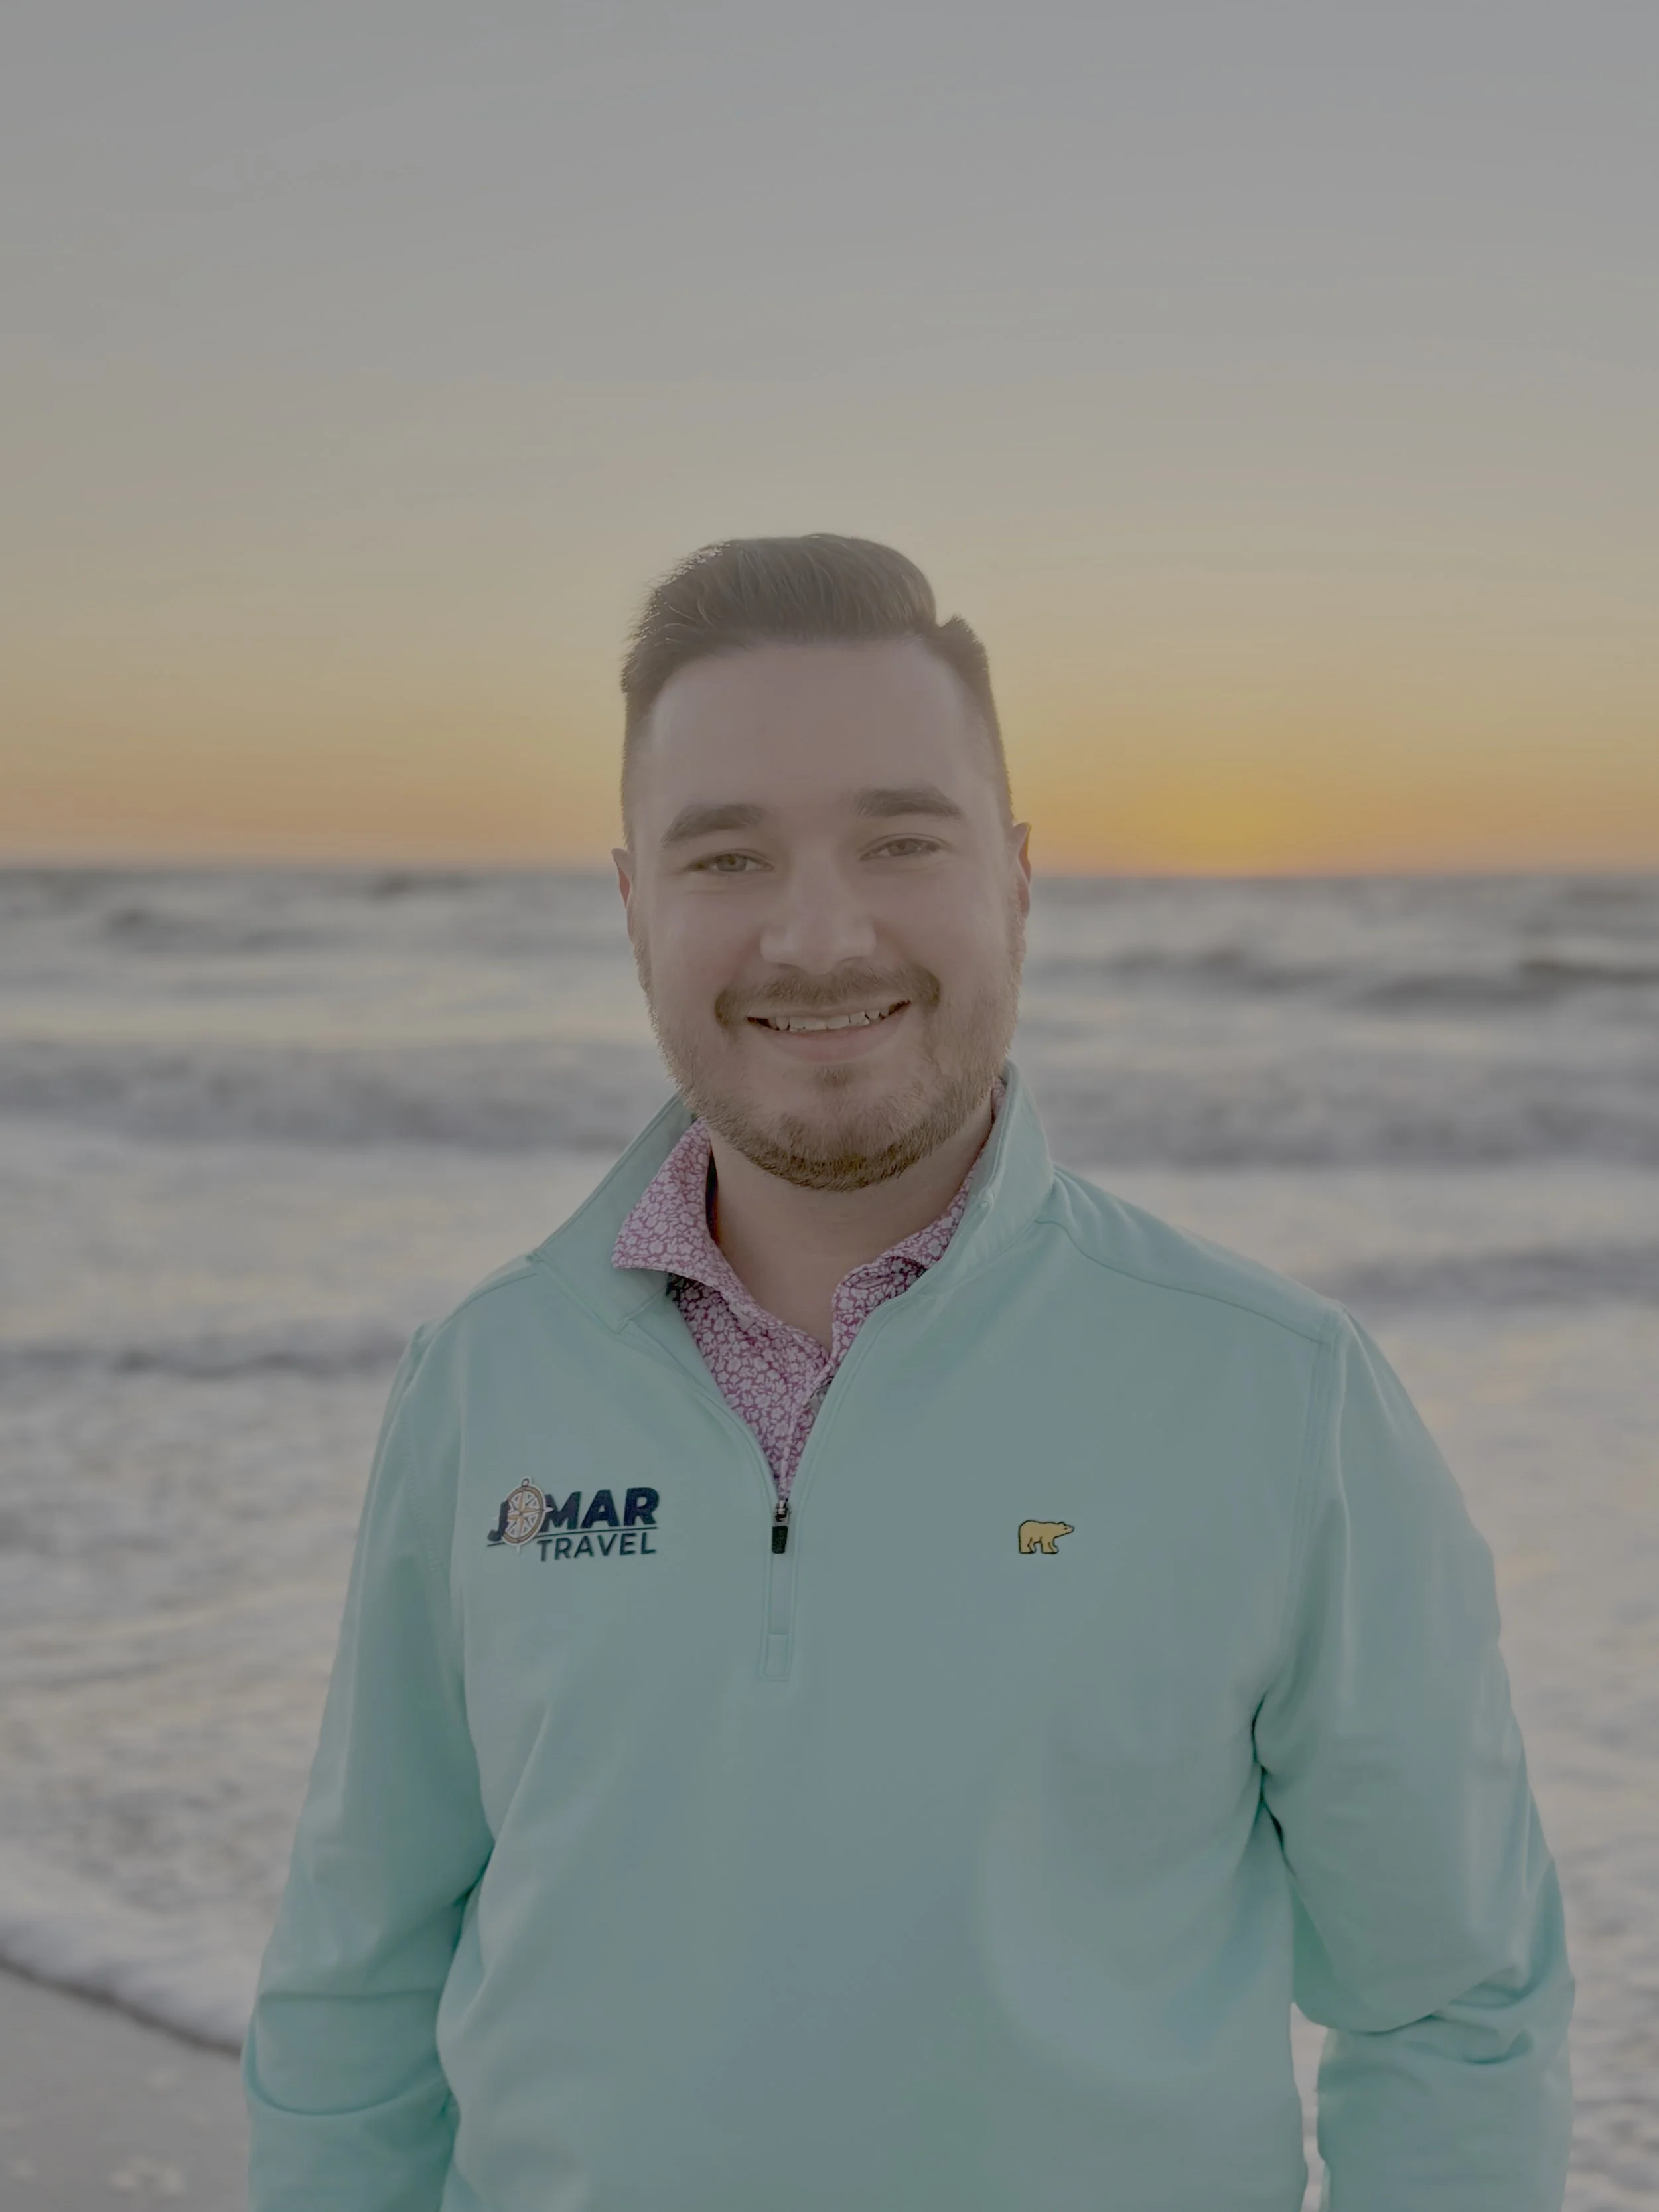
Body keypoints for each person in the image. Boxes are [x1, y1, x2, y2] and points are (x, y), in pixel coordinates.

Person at [243, 534, 1573, 2211]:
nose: (818, 935)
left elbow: (1454, 2009)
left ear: (1012, 875)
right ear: (634, 904)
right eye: (727, 855)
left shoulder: (1280, 1399)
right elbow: (355, 1985)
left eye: (899, 839)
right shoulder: (482, 1383)